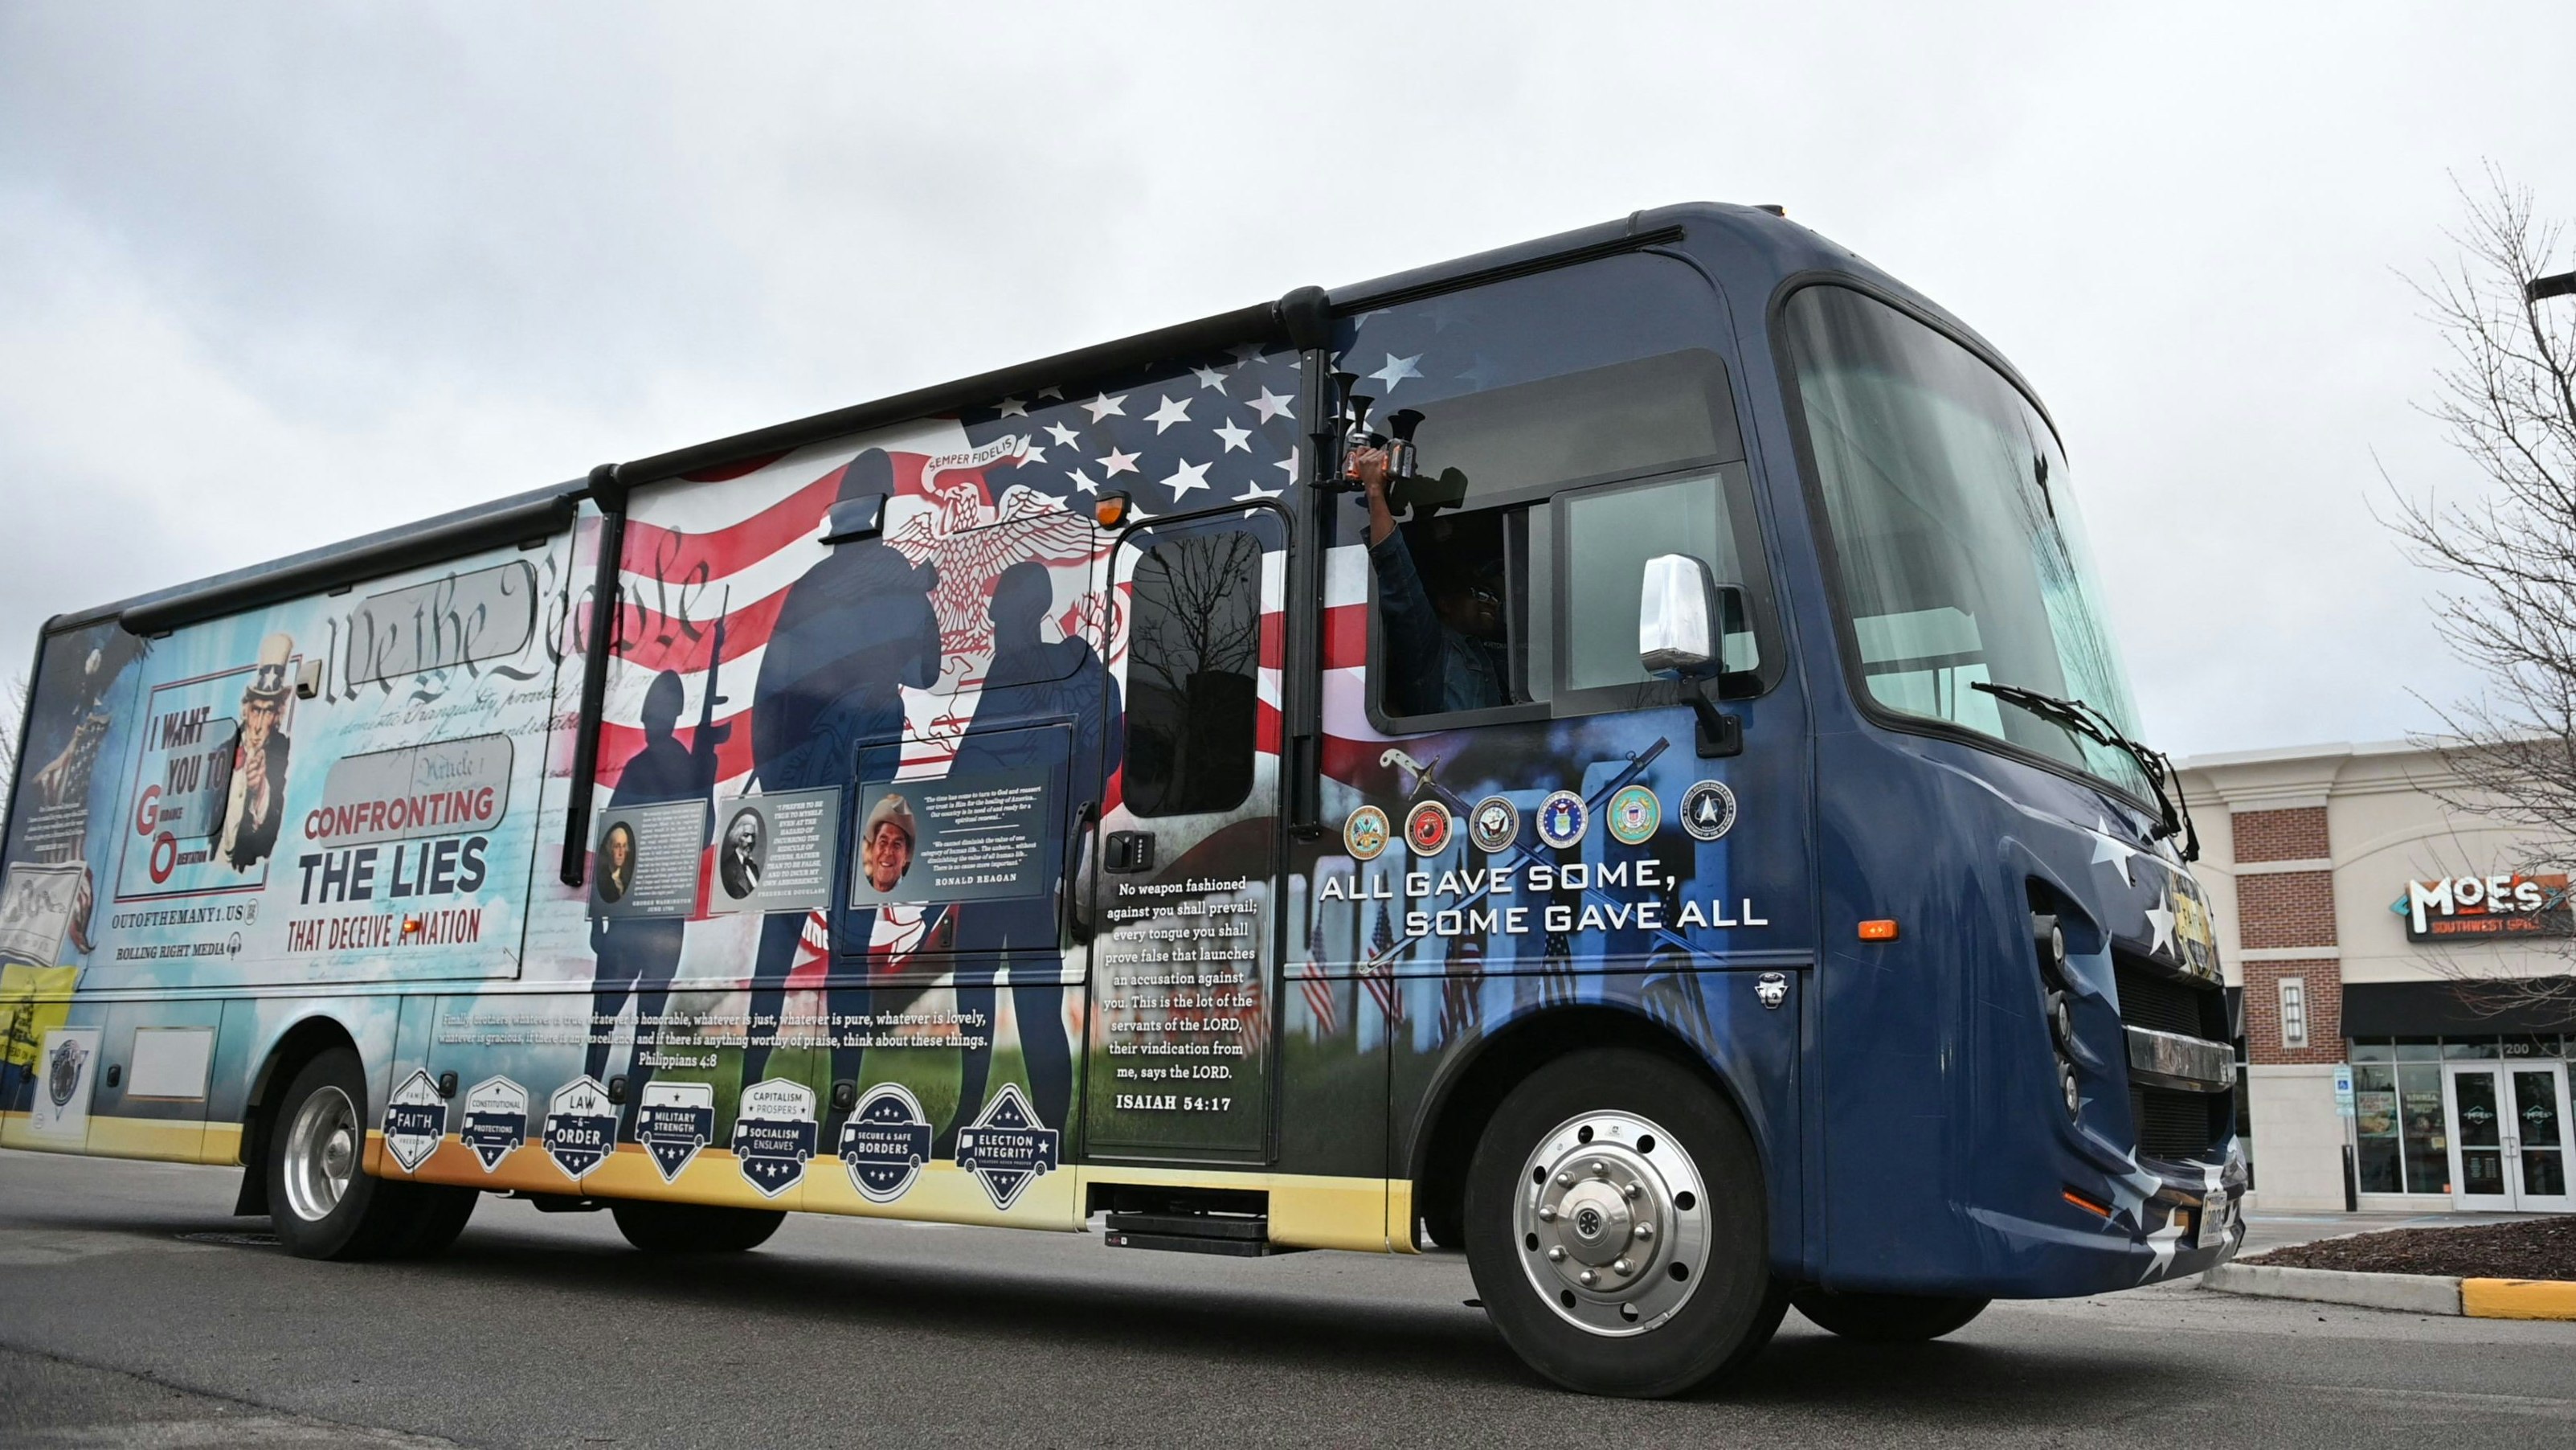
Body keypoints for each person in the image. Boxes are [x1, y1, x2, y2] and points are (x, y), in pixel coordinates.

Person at [740, 448, 943, 1092]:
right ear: (882, 508)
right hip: (864, 773)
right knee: (851, 946)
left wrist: (777, 786)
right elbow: (925, 673)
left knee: (777, 941)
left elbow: (770, 695)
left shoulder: (808, 588)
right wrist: (919, 593)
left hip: (802, 783)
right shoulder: (894, 575)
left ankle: (751, 1076)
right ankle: (844, 1091)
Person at [939, 560, 1120, 1157]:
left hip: (1021, 854)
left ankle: (1043, 1120)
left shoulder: (1032, 667)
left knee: (1021, 988)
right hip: (1010, 854)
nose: (990, 617)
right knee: (1002, 984)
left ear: (1021, 611)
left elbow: (976, 762)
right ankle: (1006, 1114)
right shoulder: (1029, 668)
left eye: (999, 607)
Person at [587, 670, 722, 1123]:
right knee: (628, 1023)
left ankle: (609, 1109)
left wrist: (708, 769)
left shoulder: (669, 765)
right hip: (644, 917)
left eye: (656, 713)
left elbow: (701, 833)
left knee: (623, 1022)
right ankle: (609, 1110)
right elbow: (615, 842)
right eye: (649, 714)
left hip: (646, 918)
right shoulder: (650, 766)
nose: (650, 721)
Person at [1345, 446, 1510, 715]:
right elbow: (1398, 578)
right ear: (1446, 602)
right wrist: (1375, 491)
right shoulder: (1432, 648)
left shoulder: (1493, 653)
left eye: (1494, 597)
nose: (1491, 602)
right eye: (1479, 593)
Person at [219, 633, 296, 870]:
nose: (259, 723)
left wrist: (260, 788)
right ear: (246, 709)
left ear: (277, 717)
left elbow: (271, 831)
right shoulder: (225, 743)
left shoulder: (280, 749)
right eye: (256, 710)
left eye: (268, 712)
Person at [856, 794, 915, 895]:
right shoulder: (860, 892)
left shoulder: (913, 896)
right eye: (883, 842)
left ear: (905, 856)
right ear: (872, 849)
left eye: (897, 845)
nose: (888, 852)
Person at [719, 809, 763, 900]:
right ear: (737, 837)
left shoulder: (753, 867)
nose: (750, 841)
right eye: (746, 835)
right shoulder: (726, 870)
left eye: (753, 836)